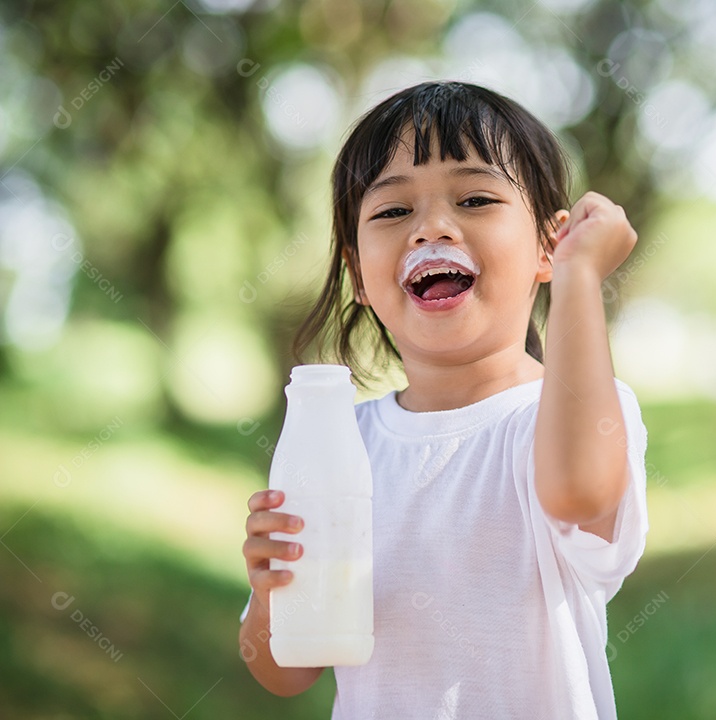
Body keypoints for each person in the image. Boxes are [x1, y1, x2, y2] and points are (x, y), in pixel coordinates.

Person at [239, 80, 649, 719]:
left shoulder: (566, 417)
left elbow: (579, 492)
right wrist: (272, 597)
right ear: (358, 271)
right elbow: (286, 673)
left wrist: (579, 274)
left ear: (548, 245)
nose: (430, 227)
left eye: (475, 198)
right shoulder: (339, 445)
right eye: (393, 211)